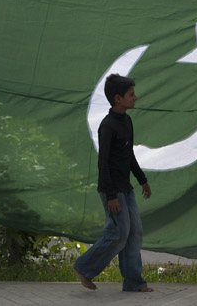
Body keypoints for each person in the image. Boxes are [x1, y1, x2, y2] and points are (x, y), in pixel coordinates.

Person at [73, 73, 153, 292]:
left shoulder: (127, 121)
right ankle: (84, 267)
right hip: (113, 191)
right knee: (118, 235)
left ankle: (134, 282)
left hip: (126, 189)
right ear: (118, 99)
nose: (135, 98)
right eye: (131, 94)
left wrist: (142, 180)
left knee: (134, 234)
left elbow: (129, 155)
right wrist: (110, 196)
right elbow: (103, 163)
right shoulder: (107, 126)